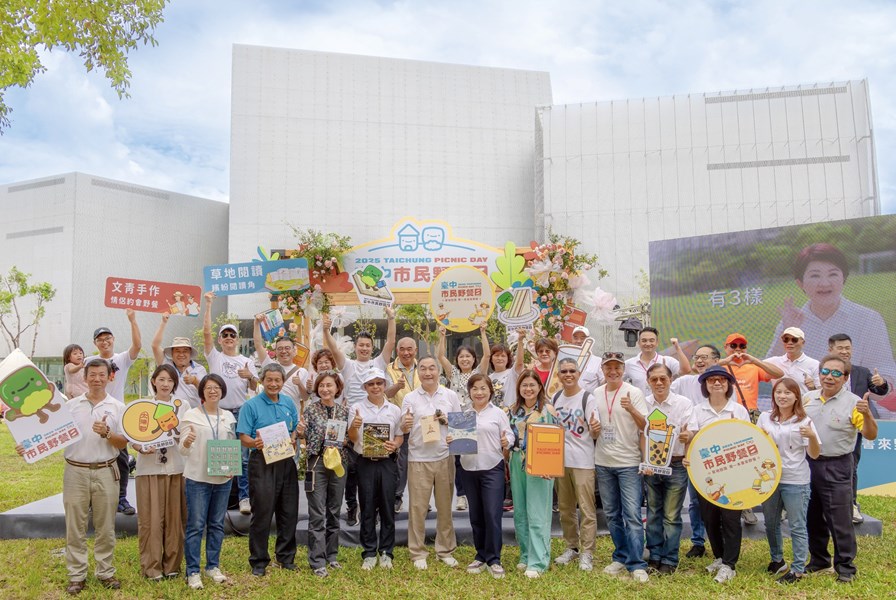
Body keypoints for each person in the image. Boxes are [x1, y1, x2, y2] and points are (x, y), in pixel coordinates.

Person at [768, 242, 896, 383]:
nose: (824, 283)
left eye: (832, 274)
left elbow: (885, 372)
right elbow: (767, 374)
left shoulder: (868, 319)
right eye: (815, 276)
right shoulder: (791, 324)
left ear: (843, 278)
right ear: (800, 283)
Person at [803, 355, 878, 583]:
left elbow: (870, 434)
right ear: (819, 373)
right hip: (807, 465)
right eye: (826, 371)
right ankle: (819, 560)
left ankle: (845, 567)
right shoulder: (808, 398)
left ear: (845, 378)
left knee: (839, 518)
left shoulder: (854, 402)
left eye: (836, 373)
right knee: (812, 515)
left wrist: (866, 414)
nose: (829, 377)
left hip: (837, 465)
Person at [57, 359, 127, 594]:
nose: (97, 379)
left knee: (105, 526)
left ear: (110, 377)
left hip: (107, 469)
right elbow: (50, 435)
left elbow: (124, 442)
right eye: (92, 375)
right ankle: (76, 575)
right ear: (84, 377)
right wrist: (27, 445)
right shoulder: (70, 406)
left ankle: (105, 572)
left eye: (101, 375)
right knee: (74, 526)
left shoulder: (118, 407)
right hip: (75, 471)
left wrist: (108, 433)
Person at [322, 308, 396, 527]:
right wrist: (326, 331)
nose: (364, 348)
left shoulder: (378, 363)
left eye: (367, 345)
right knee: (351, 468)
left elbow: (390, 342)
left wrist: (391, 318)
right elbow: (334, 349)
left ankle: (375, 509)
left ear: (371, 348)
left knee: (375, 468)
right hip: (352, 421)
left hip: (378, 422)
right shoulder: (348, 365)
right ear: (355, 347)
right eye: (360, 345)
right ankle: (352, 506)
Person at [236, 363, 302, 576]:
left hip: (286, 462)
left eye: (277, 380)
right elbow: (243, 437)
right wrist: (254, 442)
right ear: (262, 381)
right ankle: (259, 560)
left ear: (283, 382)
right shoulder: (251, 405)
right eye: (269, 380)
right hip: (261, 462)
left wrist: (293, 438)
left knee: (289, 511)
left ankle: (285, 557)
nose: (273, 384)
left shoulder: (288, 403)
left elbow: (293, 430)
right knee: (262, 512)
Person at [687, 366, 751, 584]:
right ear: (705, 385)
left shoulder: (738, 411)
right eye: (712, 380)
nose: (716, 383)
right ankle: (719, 557)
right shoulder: (697, 410)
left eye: (721, 380)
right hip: (706, 476)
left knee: (731, 519)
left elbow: (749, 440)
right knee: (710, 518)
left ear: (728, 385)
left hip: (733, 476)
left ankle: (729, 565)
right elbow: (693, 439)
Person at [400, 356, 462, 570]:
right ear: (418, 372)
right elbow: (403, 427)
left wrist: (447, 421)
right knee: (417, 509)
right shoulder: (409, 398)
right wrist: (405, 423)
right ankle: (417, 552)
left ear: (439, 372)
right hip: (418, 459)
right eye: (423, 369)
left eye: (432, 369)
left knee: (445, 507)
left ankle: (445, 550)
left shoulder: (450, 395)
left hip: (444, 457)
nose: (428, 373)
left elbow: (460, 426)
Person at [757, 378, 821, 584]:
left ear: (796, 396)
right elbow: (756, 447)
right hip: (769, 479)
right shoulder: (765, 418)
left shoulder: (804, 421)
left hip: (796, 479)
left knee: (797, 525)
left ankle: (798, 568)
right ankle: (777, 560)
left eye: (787, 393)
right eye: (778, 392)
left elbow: (814, 454)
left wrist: (811, 436)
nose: (782, 396)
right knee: (770, 522)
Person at [594, 352, 649, 582]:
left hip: (628, 462)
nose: (613, 371)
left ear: (623, 369)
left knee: (633, 515)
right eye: (608, 368)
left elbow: (645, 425)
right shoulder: (596, 393)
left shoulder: (633, 393)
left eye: (617, 367)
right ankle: (620, 555)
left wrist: (632, 409)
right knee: (612, 514)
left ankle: (637, 564)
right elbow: (594, 426)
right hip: (603, 461)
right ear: (603, 370)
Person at [179, 374, 236, 590]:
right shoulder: (191, 415)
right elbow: (182, 450)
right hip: (197, 478)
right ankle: (193, 571)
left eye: (217, 387)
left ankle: (213, 566)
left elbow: (232, 445)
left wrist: (232, 467)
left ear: (222, 391)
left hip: (223, 478)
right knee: (195, 525)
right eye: (208, 388)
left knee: (216, 524)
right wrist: (187, 441)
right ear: (202, 391)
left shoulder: (228, 416)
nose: (213, 391)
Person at [203, 292, 258, 515]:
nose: (228, 338)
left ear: (237, 339)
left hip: (240, 410)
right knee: (221, 455)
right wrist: (208, 305)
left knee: (243, 457)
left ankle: (244, 497)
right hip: (219, 411)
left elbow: (255, 387)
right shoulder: (214, 357)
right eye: (224, 335)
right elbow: (206, 332)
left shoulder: (247, 361)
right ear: (220, 339)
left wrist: (250, 376)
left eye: (232, 335)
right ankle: (220, 499)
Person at [453, 374, 513, 578]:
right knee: (476, 515)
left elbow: (509, 434)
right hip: (468, 469)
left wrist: (508, 441)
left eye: (483, 388)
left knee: (492, 514)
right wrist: (451, 439)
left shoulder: (498, 413)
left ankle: (494, 559)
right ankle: (480, 555)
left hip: (492, 468)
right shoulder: (463, 415)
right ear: (469, 392)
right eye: (475, 388)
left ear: (490, 391)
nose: (479, 392)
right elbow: (457, 441)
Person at [132, 364, 188, 581]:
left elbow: (187, 434)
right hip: (149, 469)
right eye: (162, 379)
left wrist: (178, 434)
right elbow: (133, 438)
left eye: (170, 380)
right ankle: (152, 567)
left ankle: (172, 565)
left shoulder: (182, 405)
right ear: (154, 381)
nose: (166, 384)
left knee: (176, 519)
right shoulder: (142, 406)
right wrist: (141, 447)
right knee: (150, 520)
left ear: (175, 383)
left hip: (176, 468)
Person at [828, 333, 888, 524]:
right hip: (828, 426)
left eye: (848, 348)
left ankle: (851, 505)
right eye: (840, 348)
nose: (845, 351)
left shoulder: (862, 372)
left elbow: (879, 391)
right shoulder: (824, 371)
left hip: (855, 428)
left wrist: (882, 383)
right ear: (831, 350)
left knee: (851, 466)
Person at [347, 369, 403, 570]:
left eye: (379, 383)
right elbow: (353, 438)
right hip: (365, 462)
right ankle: (369, 552)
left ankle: (387, 552)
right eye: (371, 384)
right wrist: (354, 425)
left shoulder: (394, 410)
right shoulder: (356, 408)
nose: (376, 387)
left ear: (385, 385)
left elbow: (399, 436)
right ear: (365, 387)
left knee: (388, 507)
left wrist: (395, 445)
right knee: (368, 507)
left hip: (387, 463)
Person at [643, 363, 694, 576]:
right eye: (654, 379)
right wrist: (646, 462)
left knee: (672, 515)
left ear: (671, 379)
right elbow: (640, 434)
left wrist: (687, 436)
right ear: (648, 382)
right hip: (652, 465)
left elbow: (692, 431)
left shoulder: (683, 403)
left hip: (676, 464)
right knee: (653, 511)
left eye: (663, 378)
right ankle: (654, 555)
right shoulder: (644, 404)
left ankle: (670, 559)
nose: (659, 383)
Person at [671, 344, 719, 558]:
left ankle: (720, 540)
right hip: (692, 451)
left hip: (718, 452)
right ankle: (698, 541)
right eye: (697, 357)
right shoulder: (683, 382)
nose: (699, 361)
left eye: (705, 357)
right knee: (696, 500)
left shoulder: (723, 384)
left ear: (716, 360)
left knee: (720, 496)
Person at [551, 357, 599, 571]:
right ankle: (572, 546)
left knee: (587, 509)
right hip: (560, 462)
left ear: (579, 374)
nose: (568, 374)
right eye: (564, 371)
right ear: (559, 375)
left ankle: (587, 552)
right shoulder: (556, 397)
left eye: (572, 371)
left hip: (583, 461)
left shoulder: (588, 398)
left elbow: (595, 428)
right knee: (565, 508)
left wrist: (596, 429)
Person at [92, 308, 141, 517]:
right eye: (100, 339)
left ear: (113, 340)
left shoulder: (121, 359)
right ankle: (96, 500)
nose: (105, 342)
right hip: (95, 414)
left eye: (108, 338)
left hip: (118, 415)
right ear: (95, 343)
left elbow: (137, 346)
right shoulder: (89, 363)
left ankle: (122, 498)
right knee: (96, 457)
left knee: (121, 457)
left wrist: (132, 320)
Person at [299, 371, 349, 577]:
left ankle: (332, 555)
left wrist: (345, 440)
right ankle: (317, 560)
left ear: (337, 388)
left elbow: (349, 438)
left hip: (338, 462)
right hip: (317, 462)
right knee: (317, 512)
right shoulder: (310, 410)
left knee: (334, 510)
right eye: (321, 386)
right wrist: (300, 431)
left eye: (329, 385)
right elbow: (302, 435)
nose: (325, 389)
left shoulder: (344, 411)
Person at [507, 370, 556, 578]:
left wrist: (549, 466)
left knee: (537, 512)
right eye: (524, 385)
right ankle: (526, 554)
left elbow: (555, 441)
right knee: (520, 511)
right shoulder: (511, 410)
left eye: (532, 385)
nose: (528, 389)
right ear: (519, 388)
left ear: (539, 387)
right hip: (516, 461)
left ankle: (539, 560)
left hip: (539, 464)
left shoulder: (547, 410)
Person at [437, 323, 490, 511]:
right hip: (459, 420)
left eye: (468, 356)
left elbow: (487, 356)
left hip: (477, 417)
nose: (465, 359)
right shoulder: (453, 373)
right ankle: (461, 495)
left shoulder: (478, 374)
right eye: (461, 356)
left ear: (473, 359)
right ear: (457, 359)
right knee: (460, 461)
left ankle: (480, 493)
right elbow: (440, 356)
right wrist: (442, 335)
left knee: (478, 457)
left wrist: (482, 332)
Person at [385, 336, 420, 513]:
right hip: (401, 425)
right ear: (396, 351)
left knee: (421, 463)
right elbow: (385, 393)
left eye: (410, 349)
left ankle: (421, 500)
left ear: (415, 351)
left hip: (423, 426)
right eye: (402, 349)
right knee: (401, 463)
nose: (406, 352)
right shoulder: (389, 369)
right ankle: (397, 497)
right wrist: (396, 387)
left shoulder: (423, 368)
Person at [151, 313, 207, 409]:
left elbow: (206, 392)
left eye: (185, 351)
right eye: (177, 351)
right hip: (166, 411)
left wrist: (195, 381)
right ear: (172, 353)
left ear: (190, 353)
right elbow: (155, 345)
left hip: (192, 413)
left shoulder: (200, 369)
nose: (181, 354)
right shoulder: (166, 364)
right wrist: (163, 322)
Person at [253, 316, 308, 414]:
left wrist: (299, 384)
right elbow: (258, 344)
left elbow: (305, 397)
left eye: (287, 348)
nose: (284, 351)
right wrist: (257, 323)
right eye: (280, 349)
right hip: (270, 416)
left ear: (294, 351)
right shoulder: (270, 366)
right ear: (276, 352)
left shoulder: (302, 372)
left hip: (292, 417)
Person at [623, 327, 690, 394]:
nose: (648, 344)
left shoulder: (667, 360)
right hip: (640, 404)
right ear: (639, 343)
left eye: (651, 340)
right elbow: (616, 382)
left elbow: (686, 371)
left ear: (657, 343)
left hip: (663, 403)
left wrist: (677, 348)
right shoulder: (629, 364)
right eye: (644, 341)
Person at [766, 327, 820, 394]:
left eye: (794, 340)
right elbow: (753, 365)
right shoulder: (773, 362)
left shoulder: (814, 364)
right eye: (786, 340)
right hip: (780, 404)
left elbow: (821, 393)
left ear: (803, 342)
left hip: (804, 404)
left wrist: (813, 388)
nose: (790, 343)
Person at [571, 326, 604, 392]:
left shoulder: (598, 361)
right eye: (575, 338)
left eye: (582, 338)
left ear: (589, 340)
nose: (579, 341)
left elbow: (603, 382)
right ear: (571, 339)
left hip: (590, 401)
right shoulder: (565, 359)